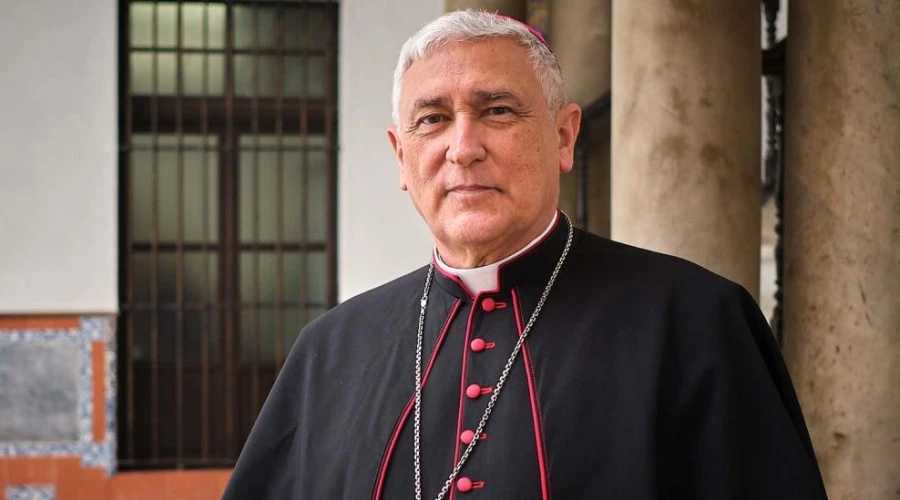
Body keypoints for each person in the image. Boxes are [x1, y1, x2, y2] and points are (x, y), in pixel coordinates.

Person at [223, 9, 827, 500]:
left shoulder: (696, 322)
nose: (463, 147)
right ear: (401, 157)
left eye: (497, 110)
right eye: (432, 119)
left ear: (563, 136)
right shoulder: (327, 353)